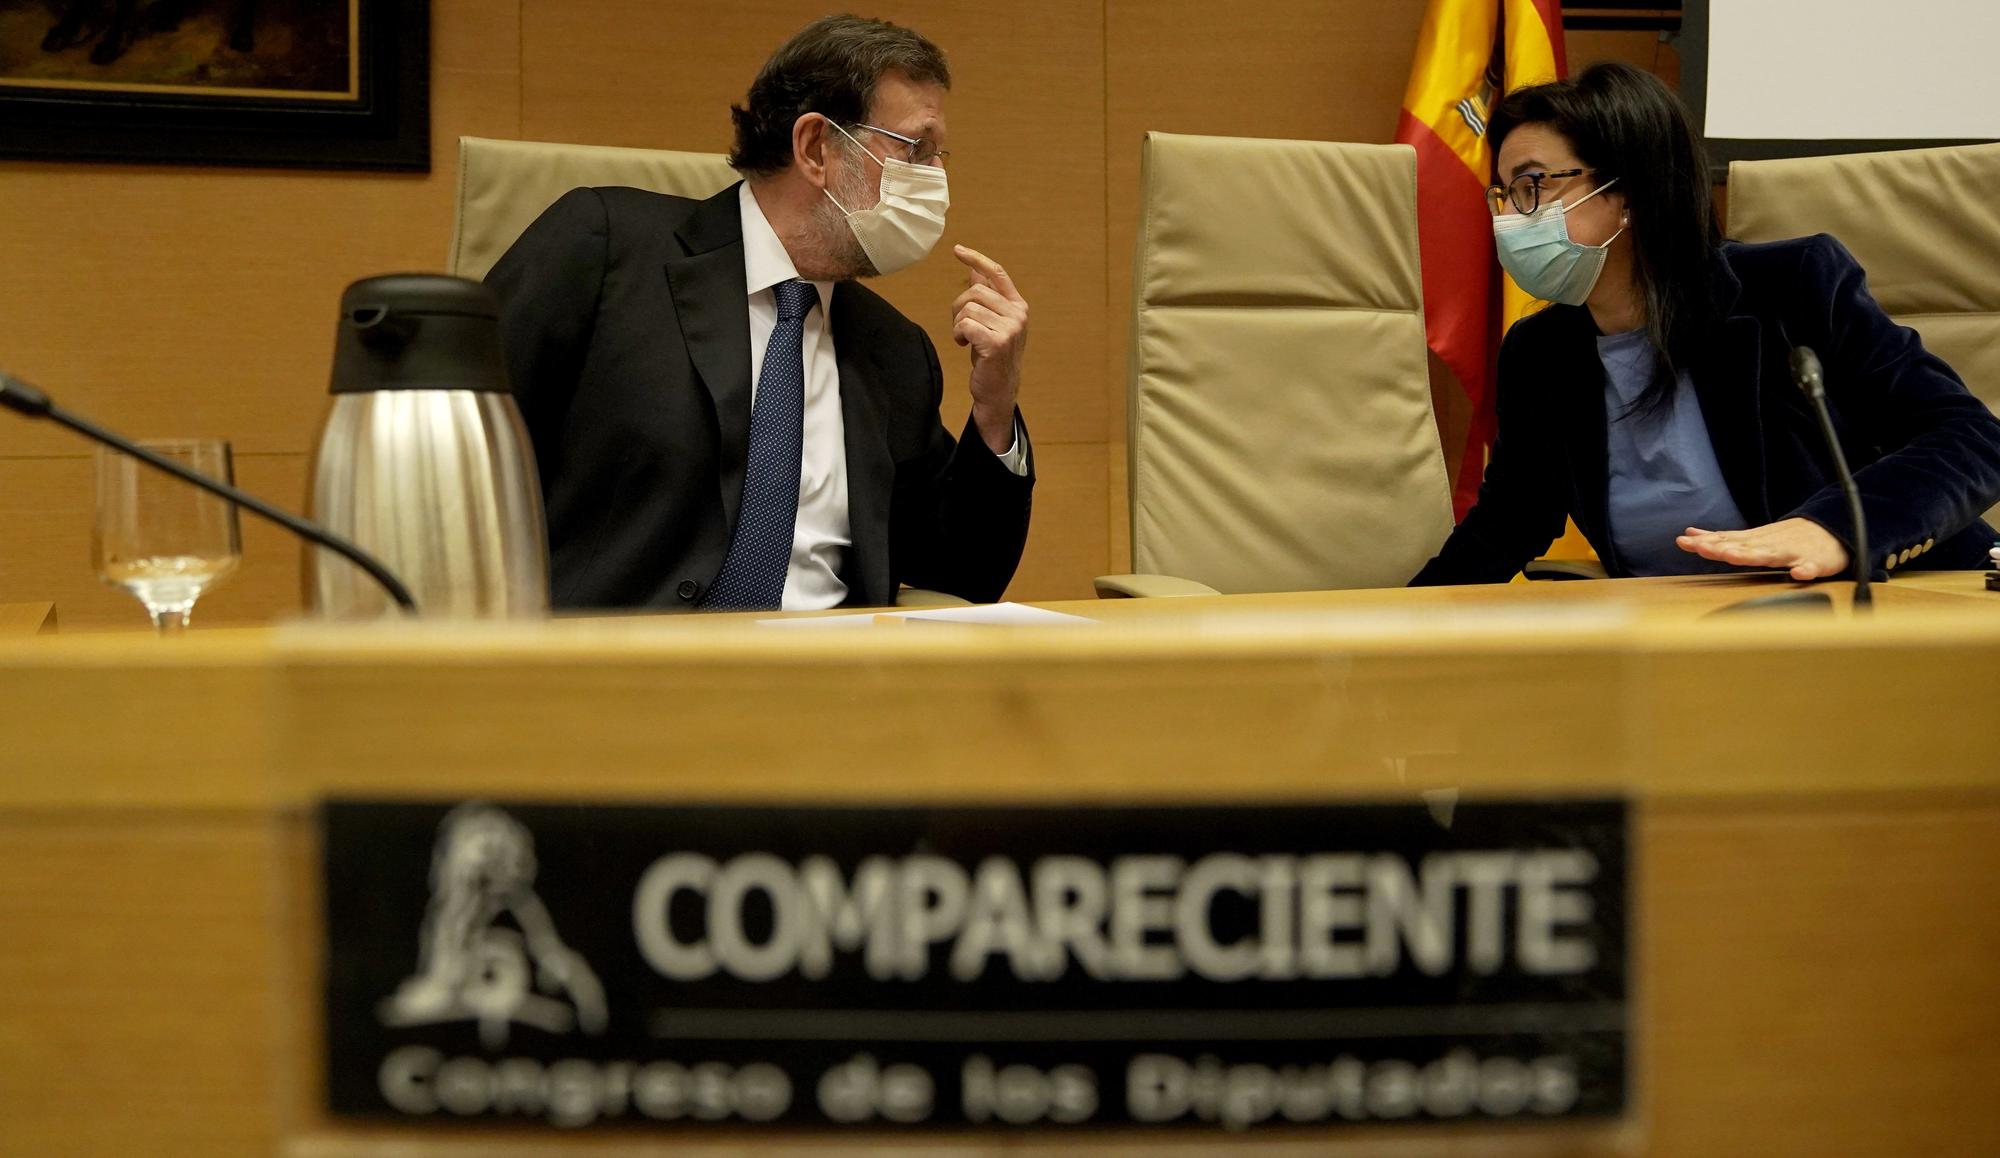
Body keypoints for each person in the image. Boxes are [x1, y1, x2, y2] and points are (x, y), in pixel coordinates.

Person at [488, 15, 1033, 611]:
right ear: (815, 148)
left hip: (827, 680)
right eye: (915, 150)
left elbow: (963, 571)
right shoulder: (606, 250)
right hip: (619, 674)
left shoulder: (893, 348)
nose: (936, 180)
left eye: (937, 156)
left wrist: (995, 408)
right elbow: (463, 469)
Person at [1412, 62, 2000, 586]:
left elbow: (1972, 439)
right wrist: (1401, 626)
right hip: (1677, 639)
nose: (1512, 219)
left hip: (1882, 607)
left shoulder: (1790, 286)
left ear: (1630, 190)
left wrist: (1837, 530)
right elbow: (1508, 522)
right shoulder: (1540, 350)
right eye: (1505, 194)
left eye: (1533, 187)